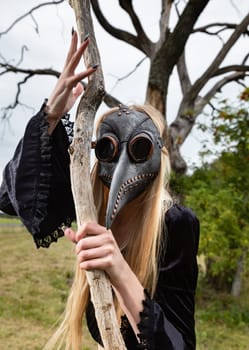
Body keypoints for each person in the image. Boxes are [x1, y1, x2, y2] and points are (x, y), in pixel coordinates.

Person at [0, 30, 200, 350]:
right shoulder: (90, 202)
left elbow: (180, 345)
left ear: (157, 155)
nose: (121, 164)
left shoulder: (174, 224)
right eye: (107, 148)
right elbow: (12, 199)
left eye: (139, 149)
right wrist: (50, 116)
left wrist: (120, 273)